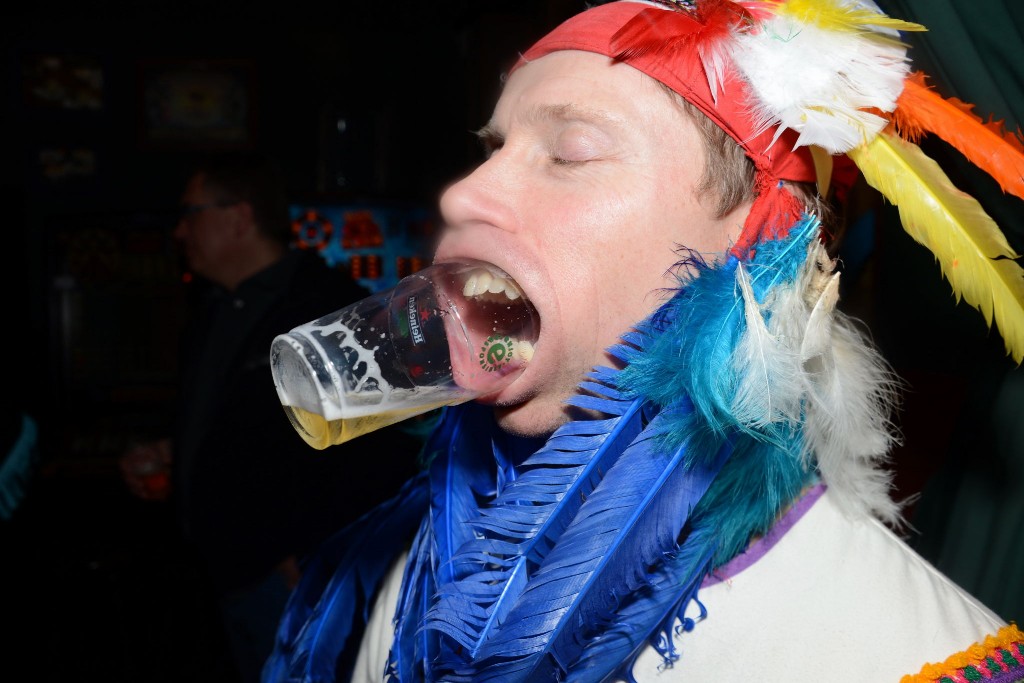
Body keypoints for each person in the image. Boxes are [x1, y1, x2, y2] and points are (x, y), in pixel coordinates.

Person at [263, 2, 1024, 682]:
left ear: (762, 253)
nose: (462, 194)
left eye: (571, 152)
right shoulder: (406, 575)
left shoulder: (922, 659)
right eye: (493, 148)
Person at [120, 152, 421, 683]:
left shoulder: (329, 308)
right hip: (213, 569)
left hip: (285, 577)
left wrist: (312, 555)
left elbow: (383, 450)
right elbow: (240, 425)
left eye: (190, 213)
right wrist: (175, 454)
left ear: (239, 216)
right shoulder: (214, 309)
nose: (180, 231)